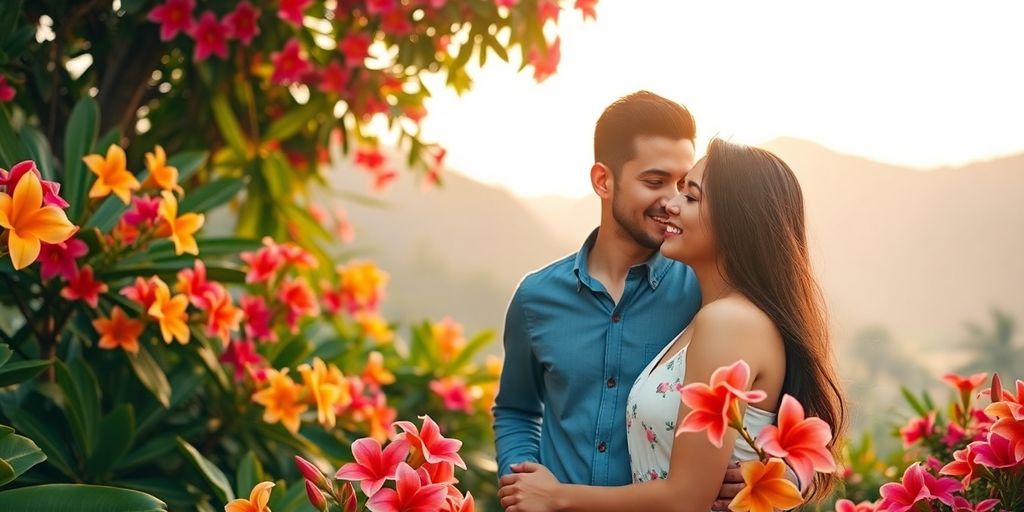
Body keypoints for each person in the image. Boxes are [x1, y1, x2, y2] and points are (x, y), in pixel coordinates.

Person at [496, 139, 847, 511]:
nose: (671, 205)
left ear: (736, 221)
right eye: (670, 188)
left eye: (690, 197)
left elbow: (686, 499)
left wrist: (557, 497)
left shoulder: (729, 321)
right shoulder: (711, 313)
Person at [493, 91, 749, 509]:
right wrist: (522, 484)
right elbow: (516, 409)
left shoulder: (705, 295)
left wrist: (772, 471)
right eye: (654, 181)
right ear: (603, 180)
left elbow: (778, 392)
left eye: (683, 185)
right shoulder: (535, 298)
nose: (672, 201)